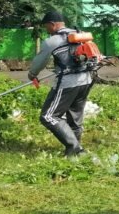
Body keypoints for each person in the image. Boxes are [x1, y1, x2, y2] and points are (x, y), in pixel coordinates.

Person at [27, 11, 94, 157]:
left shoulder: (52, 41)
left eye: (46, 26)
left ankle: (75, 148)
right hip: (86, 80)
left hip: (67, 83)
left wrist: (32, 74)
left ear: (52, 24)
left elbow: (39, 62)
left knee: (48, 116)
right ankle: (75, 154)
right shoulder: (79, 34)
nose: (46, 29)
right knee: (75, 118)